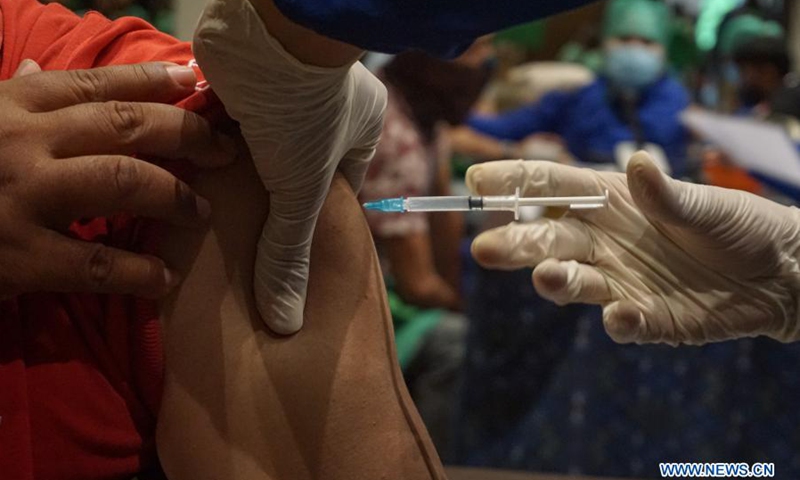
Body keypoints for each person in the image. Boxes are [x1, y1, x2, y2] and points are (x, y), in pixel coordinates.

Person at [461, 0, 691, 176]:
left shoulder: (681, 108)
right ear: (604, 42)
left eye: (646, 42)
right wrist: (453, 109)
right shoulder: (577, 94)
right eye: (624, 39)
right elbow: (503, 128)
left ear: (664, 50)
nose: (634, 50)